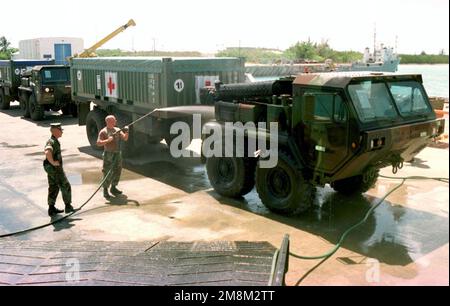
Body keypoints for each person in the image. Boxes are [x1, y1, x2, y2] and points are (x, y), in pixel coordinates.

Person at [44, 123, 74, 216]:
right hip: (55, 170)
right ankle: (68, 206)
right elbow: (47, 151)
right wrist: (53, 162)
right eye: (60, 130)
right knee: (66, 186)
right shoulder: (51, 141)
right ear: (55, 131)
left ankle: (51, 208)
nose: (62, 132)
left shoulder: (54, 140)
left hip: (52, 169)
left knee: (53, 187)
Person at [96, 115, 129, 199]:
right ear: (108, 122)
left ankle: (113, 188)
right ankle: (105, 190)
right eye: (114, 121)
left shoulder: (117, 130)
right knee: (107, 172)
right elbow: (98, 143)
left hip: (117, 153)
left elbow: (125, 138)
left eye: (115, 120)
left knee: (117, 170)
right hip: (109, 154)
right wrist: (108, 140)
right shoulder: (103, 131)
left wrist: (127, 131)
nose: (115, 122)